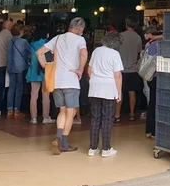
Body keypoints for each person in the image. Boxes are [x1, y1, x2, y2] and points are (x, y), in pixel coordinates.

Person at [37, 17, 88, 154]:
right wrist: (80, 70)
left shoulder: (58, 38)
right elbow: (83, 53)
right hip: (71, 80)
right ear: (80, 28)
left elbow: (39, 52)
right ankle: (63, 142)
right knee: (70, 113)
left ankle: (57, 137)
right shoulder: (80, 40)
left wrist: (46, 67)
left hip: (57, 80)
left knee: (62, 111)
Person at [87, 31, 124, 157]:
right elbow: (117, 75)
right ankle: (106, 149)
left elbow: (89, 69)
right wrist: (119, 92)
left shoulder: (96, 51)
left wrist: (95, 80)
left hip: (94, 88)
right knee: (107, 119)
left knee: (95, 118)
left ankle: (92, 148)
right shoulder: (115, 54)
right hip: (109, 89)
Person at [115, 17, 143, 122]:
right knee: (132, 92)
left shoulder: (120, 36)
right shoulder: (138, 38)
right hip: (133, 69)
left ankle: (117, 115)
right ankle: (131, 114)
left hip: (121, 69)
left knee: (119, 93)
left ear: (126, 24)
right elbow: (139, 53)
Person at [26, 27, 55, 125]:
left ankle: (33, 118)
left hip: (33, 72)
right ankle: (45, 117)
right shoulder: (48, 44)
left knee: (33, 95)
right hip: (45, 71)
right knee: (46, 96)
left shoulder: (32, 45)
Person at [6, 23, 31, 119]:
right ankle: (16, 110)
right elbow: (30, 52)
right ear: (20, 31)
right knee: (19, 88)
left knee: (11, 88)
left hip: (10, 67)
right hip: (20, 67)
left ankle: (9, 110)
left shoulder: (10, 42)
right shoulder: (23, 42)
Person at [143, 26, 163, 139]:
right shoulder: (160, 46)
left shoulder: (150, 46)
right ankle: (155, 131)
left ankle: (149, 130)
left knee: (152, 103)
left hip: (150, 77)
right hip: (158, 77)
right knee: (157, 103)